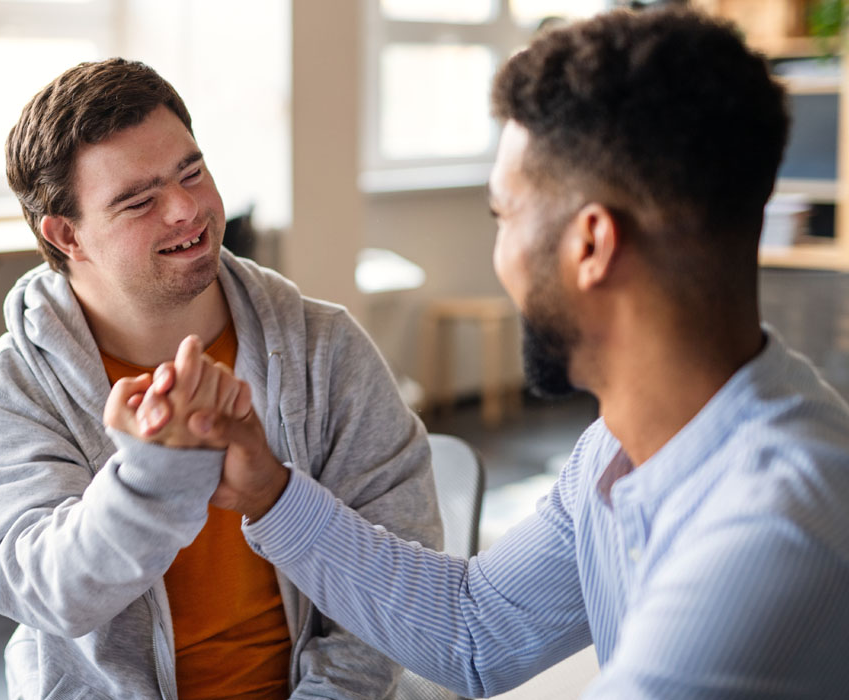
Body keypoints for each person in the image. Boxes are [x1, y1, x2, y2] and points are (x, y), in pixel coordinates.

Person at [118, 7, 849, 698]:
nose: (498, 250)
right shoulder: (620, 449)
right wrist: (270, 490)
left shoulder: (776, 526)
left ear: (591, 245)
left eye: (503, 215)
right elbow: (477, 630)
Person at [0, 58, 442, 700]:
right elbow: (49, 593)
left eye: (193, 172)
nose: (188, 209)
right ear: (67, 234)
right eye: (139, 200)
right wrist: (155, 478)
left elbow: (397, 574)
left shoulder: (325, 347)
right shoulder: (8, 390)